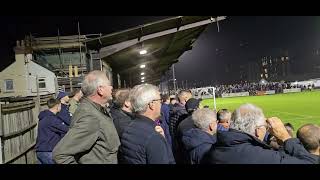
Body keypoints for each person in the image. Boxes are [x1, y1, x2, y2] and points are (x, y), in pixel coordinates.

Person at [204, 103, 318, 164]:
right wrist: (286, 138)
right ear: (258, 130)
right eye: (265, 126)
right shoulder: (263, 157)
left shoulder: (216, 148)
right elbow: (312, 161)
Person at [53, 70, 120, 164]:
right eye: (109, 85)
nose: (111, 87)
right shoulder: (91, 116)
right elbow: (60, 155)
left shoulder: (95, 109)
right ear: (100, 90)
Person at [118, 84, 175, 164]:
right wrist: (163, 141)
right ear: (151, 104)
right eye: (159, 100)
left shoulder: (128, 128)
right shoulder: (153, 137)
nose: (161, 103)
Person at [35, 98, 68, 164]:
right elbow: (66, 129)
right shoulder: (52, 119)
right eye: (60, 105)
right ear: (57, 106)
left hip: (41, 150)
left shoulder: (44, 116)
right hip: (48, 151)